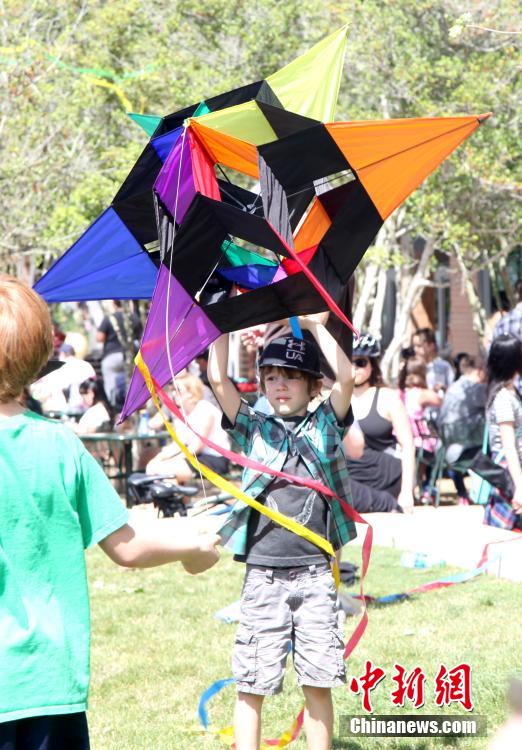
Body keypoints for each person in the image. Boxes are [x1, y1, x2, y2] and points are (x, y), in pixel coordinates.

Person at [0, 274, 220, 748]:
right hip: (49, 681)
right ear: (38, 357)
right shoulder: (60, 445)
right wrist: (192, 545)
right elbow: (128, 547)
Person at [208, 317, 355, 750]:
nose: (280, 386)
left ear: (312, 385)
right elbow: (217, 379)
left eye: (291, 376)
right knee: (251, 682)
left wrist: (314, 326)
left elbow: (346, 378)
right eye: (271, 377)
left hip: (315, 575)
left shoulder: (325, 425)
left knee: (319, 681)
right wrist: (222, 324)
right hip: (263, 576)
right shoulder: (255, 428)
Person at [344, 333, 416, 511]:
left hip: (385, 475)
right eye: (349, 361)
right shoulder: (335, 398)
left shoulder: (388, 398)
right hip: (350, 473)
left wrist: (407, 492)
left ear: (372, 365)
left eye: (360, 362)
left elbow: (408, 445)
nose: (354, 367)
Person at [146, 373, 230, 482]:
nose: (174, 393)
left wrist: (172, 460)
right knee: (154, 467)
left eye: (178, 390)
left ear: (191, 393)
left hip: (215, 458)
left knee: (165, 471)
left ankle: (175, 492)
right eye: (173, 390)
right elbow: (179, 444)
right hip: (197, 456)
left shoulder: (205, 409)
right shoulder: (182, 413)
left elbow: (197, 446)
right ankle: (174, 493)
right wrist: (159, 458)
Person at [484, 334, 522, 529]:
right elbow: (509, 447)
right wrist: (519, 487)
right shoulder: (503, 398)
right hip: (509, 475)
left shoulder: (511, 392)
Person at [96, 300, 142, 409]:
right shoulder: (133, 318)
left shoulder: (109, 318)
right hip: (130, 356)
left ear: (114, 303)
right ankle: (133, 406)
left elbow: (99, 337)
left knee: (111, 385)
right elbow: (141, 337)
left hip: (111, 357)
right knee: (131, 383)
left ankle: (116, 407)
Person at [398, 355, 442, 454]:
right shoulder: (423, 393)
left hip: (401, 439)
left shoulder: (401, 392)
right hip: (420, 442)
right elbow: (444, 403)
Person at [412, 327, 455, 393]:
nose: (415, 349)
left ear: (431, 346)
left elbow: (452, 391)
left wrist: (443, 388)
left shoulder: (443, 366)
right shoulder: (412, 365)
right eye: (414, 346)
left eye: (419, 346)